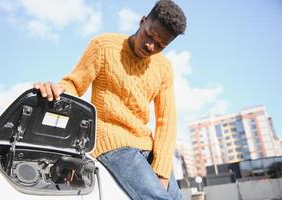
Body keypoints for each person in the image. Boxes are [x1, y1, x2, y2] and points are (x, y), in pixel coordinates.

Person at [34, 0, 187, 199]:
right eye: (149, 35)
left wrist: (162, 171)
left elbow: (167, 122)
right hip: (112, 142)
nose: (150, 46)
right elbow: (74, 84)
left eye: (160, 45)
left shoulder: (164, 68)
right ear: (142, 22)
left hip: (146, 145)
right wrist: (56, 90)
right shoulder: (103, 46)